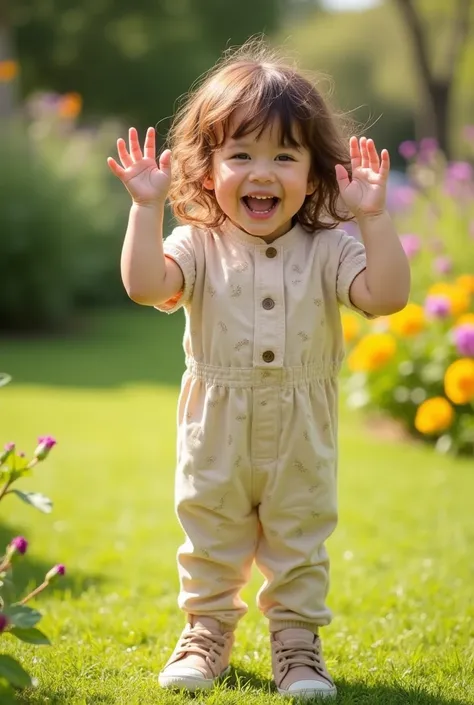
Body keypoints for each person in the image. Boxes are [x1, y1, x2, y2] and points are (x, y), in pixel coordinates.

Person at [107, 39, 410, 700]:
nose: (262, 171)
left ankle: (297, 644)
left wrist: (374, 216)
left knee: (300, 536)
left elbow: (386, 297)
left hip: (302, 430)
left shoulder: (330, 249)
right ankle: (207, 631)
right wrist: (143, 209)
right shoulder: (197, 242)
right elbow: (143, 284)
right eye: (240, 154)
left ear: (314, 170)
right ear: (208, 169)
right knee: (209, 531)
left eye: (284, 154)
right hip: (215, 426)